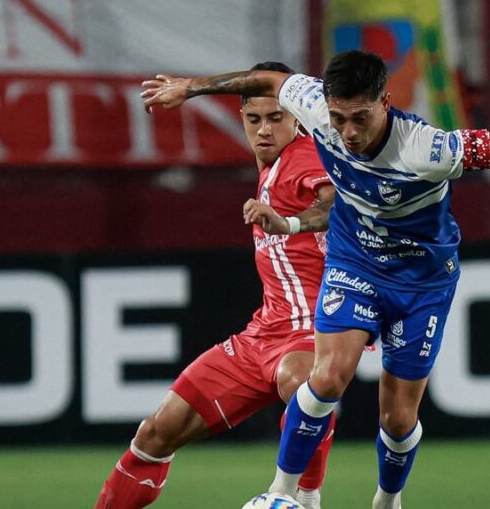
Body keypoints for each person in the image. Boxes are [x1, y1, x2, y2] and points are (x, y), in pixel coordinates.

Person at [140, 50, 490, 508]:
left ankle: (387, 500)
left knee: (397, 419)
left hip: (421, 282)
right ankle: (284, 494)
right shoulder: (315, 106)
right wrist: (191, 87)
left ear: (384, 102)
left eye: (360, 118)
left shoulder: (427, 149)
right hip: (354, 262)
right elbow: (269, 80)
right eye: (338, 118)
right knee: (326, 377)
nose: (348, 133)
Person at [94, 63, 338, 509]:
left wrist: (291, 223)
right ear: (242, 118)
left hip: (312, 330)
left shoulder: (305, 156)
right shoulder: (271, 169)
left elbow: (335, 206)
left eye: (276, 118)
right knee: (155, 433)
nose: (264, 130)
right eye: (254, 119)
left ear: (297, 120)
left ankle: (305, 500)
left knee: (305, 385)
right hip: (261, 335)